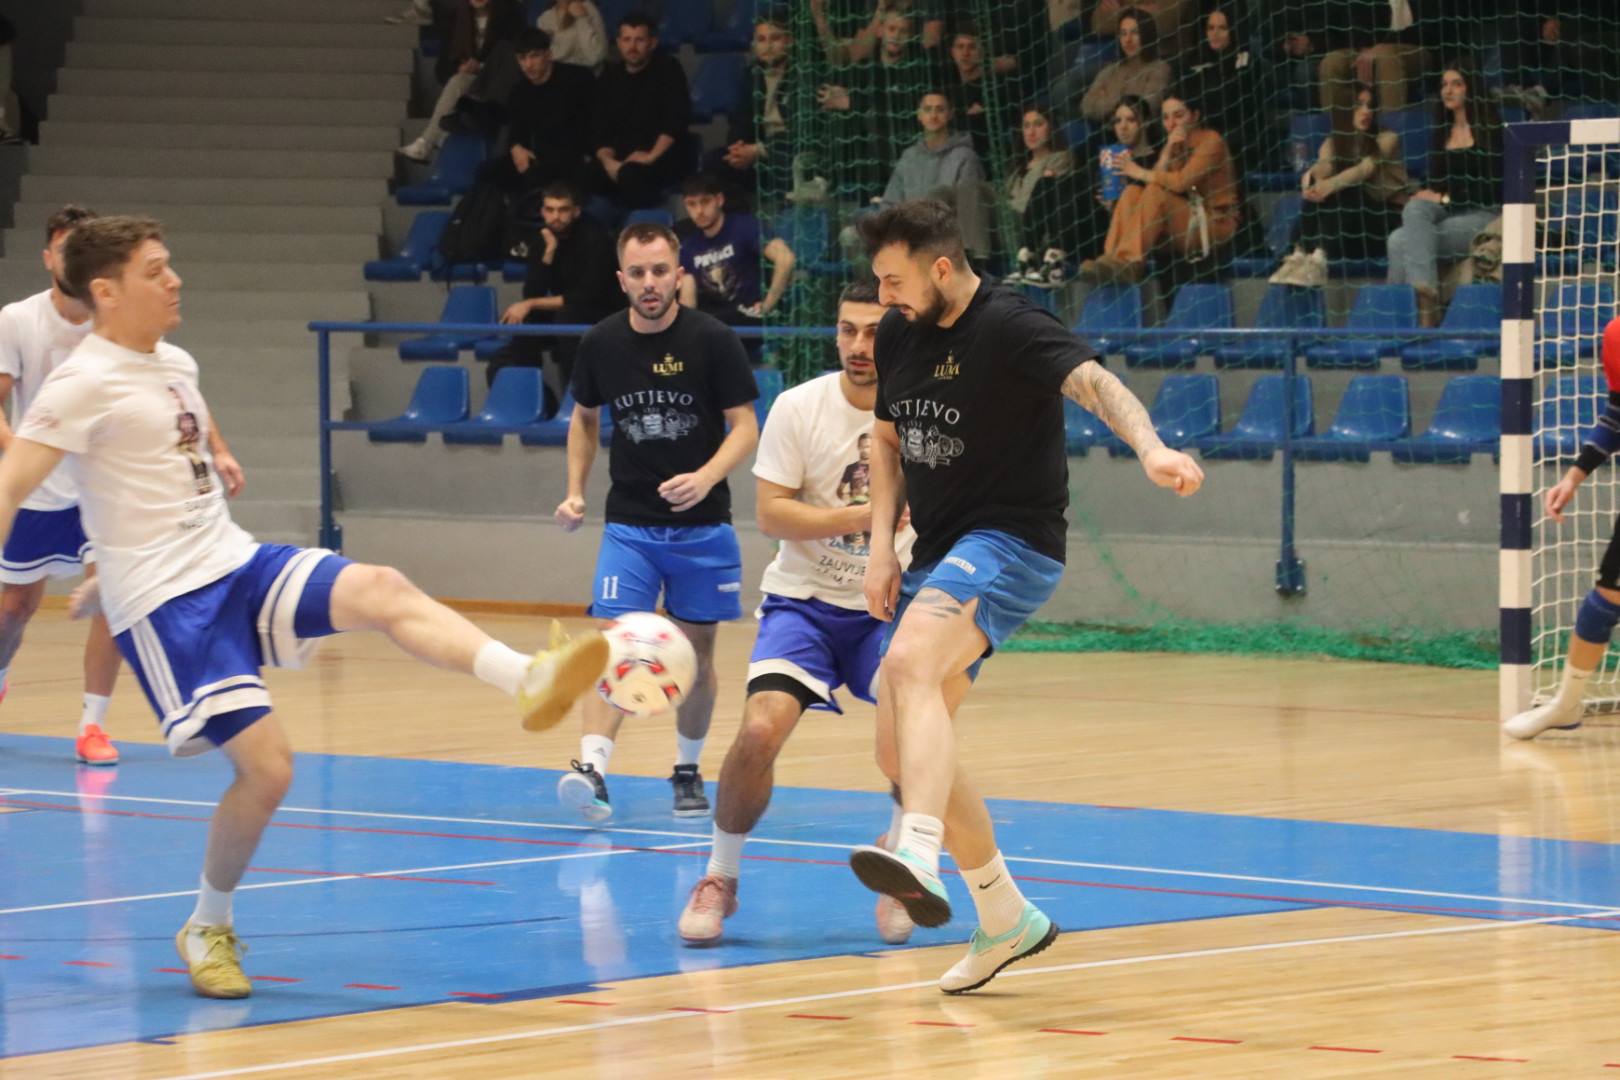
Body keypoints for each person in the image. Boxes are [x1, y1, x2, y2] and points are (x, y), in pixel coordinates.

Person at [0, 215, 609, 999]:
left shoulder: (174, 361)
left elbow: (161, 468)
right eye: (154, 271)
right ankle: (207, 924)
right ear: (107, 292)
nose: (175, 279)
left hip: (233, 561)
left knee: (383, 587)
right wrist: (114, 572)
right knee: (268, 771)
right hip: (169, 603)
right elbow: (12, 487)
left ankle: (527, 677)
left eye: (170, 263)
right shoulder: (79, 383)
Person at [850, 198, 1203, 993]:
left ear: (942, 268)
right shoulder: (901, 333)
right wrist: (878, 550)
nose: (883, 298)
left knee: (908, 664)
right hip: (939, 552)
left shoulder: (1010, 325)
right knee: (898, 748)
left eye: (894, 281)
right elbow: (887, 438)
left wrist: (1151, 448)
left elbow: (1096, 384)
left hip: (1013, 540)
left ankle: (917, 848)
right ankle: (1004, 914)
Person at [675, 280, 919, 946]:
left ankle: (900, 858)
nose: (859, 345)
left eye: (874, 332)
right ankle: (720, 877)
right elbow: (772, 514)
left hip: (890, 606)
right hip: (803, 603)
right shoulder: (798, 406)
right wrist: (867, 517)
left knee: (917, 729)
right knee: (759, 730)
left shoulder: (926, 412)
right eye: (848, 330)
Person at [554, 222, 760, 822]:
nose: (650, 282)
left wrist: (706, 476)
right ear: (622, 279)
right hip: (631, 528)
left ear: (678, 275)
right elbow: (584, 419)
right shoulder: (601, 343)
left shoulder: (713, 339)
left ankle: (687, 770)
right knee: (615, 645)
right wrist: (575, 492)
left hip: (703, 529)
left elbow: (745, 426)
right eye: (638, 272)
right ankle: (593, 770)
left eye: (660, 271)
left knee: (697, 658)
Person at [0, 206, 129, 765]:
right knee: (15, 607)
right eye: (63, 248)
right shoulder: (17, 320)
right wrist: (22, 454)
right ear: (48, 258)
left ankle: (92, 724)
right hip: (38, 486)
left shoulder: (117, 316)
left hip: (100, 485)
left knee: (110, 599)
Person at [1505, 317, 1620, 740]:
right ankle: (1566, 704)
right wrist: (1574, 476)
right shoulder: (1616, 335)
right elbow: (1616, 416)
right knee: (1607, 598)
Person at [1080, 91, 1240, 285]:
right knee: (1131, 192)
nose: (1171, 124)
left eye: (1178, 116)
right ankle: (1110, 260)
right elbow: (1150, 189)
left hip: (1216, 222)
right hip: (1183, 220)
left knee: (1157, 193)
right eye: (1165, 117)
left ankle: (1130, 262)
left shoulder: (1211, 141)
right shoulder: (1174, 144)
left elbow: (1180, 182)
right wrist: (1166, 153)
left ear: (1195, 116)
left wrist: (1138, 171)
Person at [1384, 62, 1501, 327]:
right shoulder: (1441, 132)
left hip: (1483, 215)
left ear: (1470, 89)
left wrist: (1446, 198)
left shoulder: (1491, 132)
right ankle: (1420, 300)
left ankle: (1415, 311)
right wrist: (1426, 194)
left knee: (1399, 242)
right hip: (1449, 213)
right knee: (1410, 215)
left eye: (1456, 84)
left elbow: (1490, 189)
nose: (1448, 91)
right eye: (1444, 85)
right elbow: (1438, 184)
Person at [490, 181, 622, 404]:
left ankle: (576, 399)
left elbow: (586, 296)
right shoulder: (544, 239)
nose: (555, 217)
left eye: (563, 210)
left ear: (576, 211)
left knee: (566, 316)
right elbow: (532, 291)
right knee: (526, 324)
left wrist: (531, 303)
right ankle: (533, 402)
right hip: (568, 310)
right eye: (550, 210)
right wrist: (548, 253)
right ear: (542, 211)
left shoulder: (596, 238)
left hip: (605, 311)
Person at [1272, 83, 1410, 288]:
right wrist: (1311, 178)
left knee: (1348, 189)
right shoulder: (1333, 142)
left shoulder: (1387, 138)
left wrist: (1329, 186)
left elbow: (1363, 170)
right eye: (1359, 105)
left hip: (1386, 221)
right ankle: (1299, 255)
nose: (1366, 111)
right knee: (1324, 191)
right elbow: (1326, 165)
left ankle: (1316, 258)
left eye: (1370, 105)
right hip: (1349, 228)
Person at [397, 0, 524, 163]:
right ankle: (429, 141)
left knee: (461, 84)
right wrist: (459, 68)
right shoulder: (455, 18)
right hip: (471, 83)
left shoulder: (511, 14)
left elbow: (515, 56)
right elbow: (442, 69)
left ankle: (428, 141)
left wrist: (482, 66)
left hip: (500, 83)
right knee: (459, 80)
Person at [589, 12, 692, 209]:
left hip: (661, 157)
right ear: (618, 43)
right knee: (585, 174)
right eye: (627, 39)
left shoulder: (668, 69)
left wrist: (651, 156)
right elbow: (599, 127)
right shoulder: (609, 76)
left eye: (639, 40)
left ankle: (642, 224)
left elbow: (676, 120)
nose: (632, 47)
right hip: (620, 159)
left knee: (631, 175)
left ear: (652, 43)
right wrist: (608, 161)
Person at [476, 29, 594, 197]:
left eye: (534, 56)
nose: (528, 65)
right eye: (522, 58)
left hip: (572, 157)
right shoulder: (519, 91)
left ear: (548, 55)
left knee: (535, 176)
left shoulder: (577, 79)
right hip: (537, 156)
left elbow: (590, 126)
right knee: (486, 171)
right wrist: (516, 147)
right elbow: (516, 131)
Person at [676, 173, 798, 325]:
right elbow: (688, 302)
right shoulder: (688, 247)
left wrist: (768, 305)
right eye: (692, 204)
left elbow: (786, 258)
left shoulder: (745, 226)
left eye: (705, 201)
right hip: (716, 323)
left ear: (719, 200)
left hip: (751, 318)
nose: (699, 210)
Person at [877, 91, 989, 256]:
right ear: (919, 115)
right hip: (908, 235)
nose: (933, 115)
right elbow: (890, 202)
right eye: (928, 109)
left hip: (947, 239)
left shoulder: (965, 156)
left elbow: (969, 207)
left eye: (940, 109)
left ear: (950, 114)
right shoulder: (909, 157)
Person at [713, 10, 798, 205]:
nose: (768, 46)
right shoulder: (751, 74)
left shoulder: (802, 74)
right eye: (761, 39)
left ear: (789, 41)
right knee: (715, 162)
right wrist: (737, 148)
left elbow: (801, 132)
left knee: (783, 160)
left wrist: (760, 149)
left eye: (775, 38)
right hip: (755, 151)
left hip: (788, 150)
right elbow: (740, 117)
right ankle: (737, 217)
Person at [1181, 5, 1262, 175]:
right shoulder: (1192, 61)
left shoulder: (1245, 60)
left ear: (1233, 30)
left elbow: (1235, 102)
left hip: (1235, 136)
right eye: (1210, 28)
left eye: (1222, 28)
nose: (1215, 34)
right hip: (1198, 132)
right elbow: (1186, 99)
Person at [1003, 105, 1078, 287]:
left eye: (1038, 124)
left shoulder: (1060, 158)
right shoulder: (1016, 168)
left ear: (1051, 127)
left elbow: (1039, 199)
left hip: (1037, 226)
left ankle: (1029, 259)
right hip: (1010, 224)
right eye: (1026, 126)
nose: (1031, 132)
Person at [1078, 8, 1172, 124]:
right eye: (1123, 34)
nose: (1128, 40)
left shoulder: (1160, 69)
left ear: (1147, 35)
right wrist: (1127, 102)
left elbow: (1146, 106)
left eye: (1135, 33)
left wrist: (1105, 100)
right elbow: (1086, 106)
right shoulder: (1110, 70)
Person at [535, 0, 607, 70]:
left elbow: (596, 56)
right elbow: (544, 58)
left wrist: (582, 19)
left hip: (587, 73)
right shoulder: (544, 18)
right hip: (558, 73)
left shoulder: (588, 8)